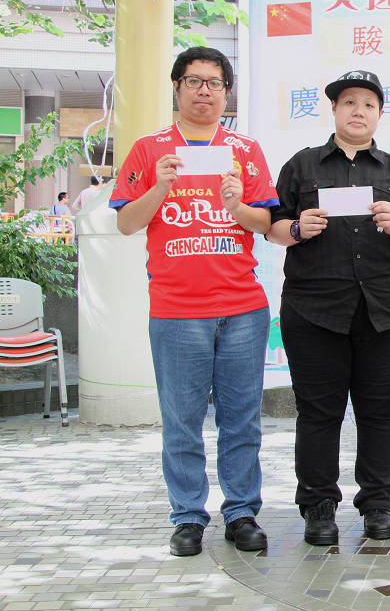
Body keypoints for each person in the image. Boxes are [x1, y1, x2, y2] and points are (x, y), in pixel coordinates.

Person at [110, 46, 278, 557]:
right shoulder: (149, 149)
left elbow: (266, 223)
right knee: (182, 421)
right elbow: (126, 223)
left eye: (214, 82)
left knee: (241, 419)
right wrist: (160, 187)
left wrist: (237, 205)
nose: (204, 90)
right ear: (177, 87)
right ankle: (187, 516)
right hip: (177, 309)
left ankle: (241, 512)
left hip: (243, 308)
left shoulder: (245, 150)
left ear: (226, 93)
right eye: (194, 81)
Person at [267, 70, 390, 544]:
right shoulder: (301, 165)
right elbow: (273, 228)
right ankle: (318, 507)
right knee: (318, 414)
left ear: (379, 114)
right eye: (349, 103)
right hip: (314, 311)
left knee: (380, 413)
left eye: (368, 104)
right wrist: (297, 228)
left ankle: (378, 504)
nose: (358, 111)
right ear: (335, 110)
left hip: (385, 312)